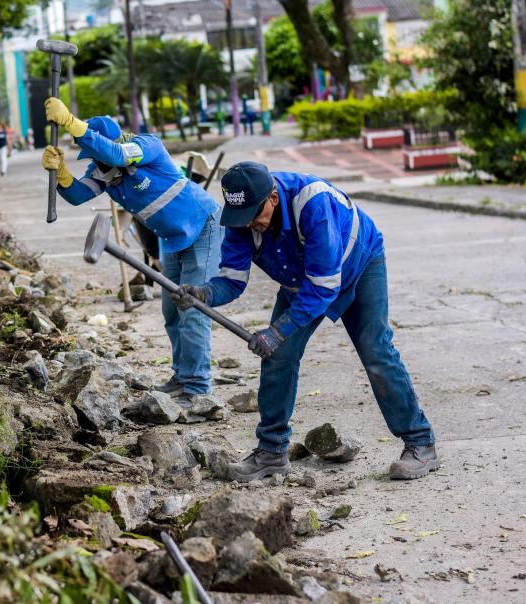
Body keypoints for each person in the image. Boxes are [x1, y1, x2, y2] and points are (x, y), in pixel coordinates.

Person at [171, 162, 438, 481]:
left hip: (358, 265)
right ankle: (271, 452)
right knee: (278, 357)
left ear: (272, 198)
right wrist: (203, 294)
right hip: (302, 280)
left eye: (256, 216)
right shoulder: (242, 220)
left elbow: (324, 287)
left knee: (376, 351)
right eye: (243, 219)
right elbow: (232, 280)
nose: (251, 225)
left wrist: (277, 331)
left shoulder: (313, 203)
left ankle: (421, 443)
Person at [40, 97, 223, 407]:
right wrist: (61, 174)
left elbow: (118, 154)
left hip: (203, 227)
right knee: (171, 312)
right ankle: (182, 376)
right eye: (92, 157)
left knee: (191, 310)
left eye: (97, 153)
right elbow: (77, 195)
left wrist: (70, 122)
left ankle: (198, 388)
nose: (97, 162)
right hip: (172, 239)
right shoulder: (103, 169)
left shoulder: (144, 146)